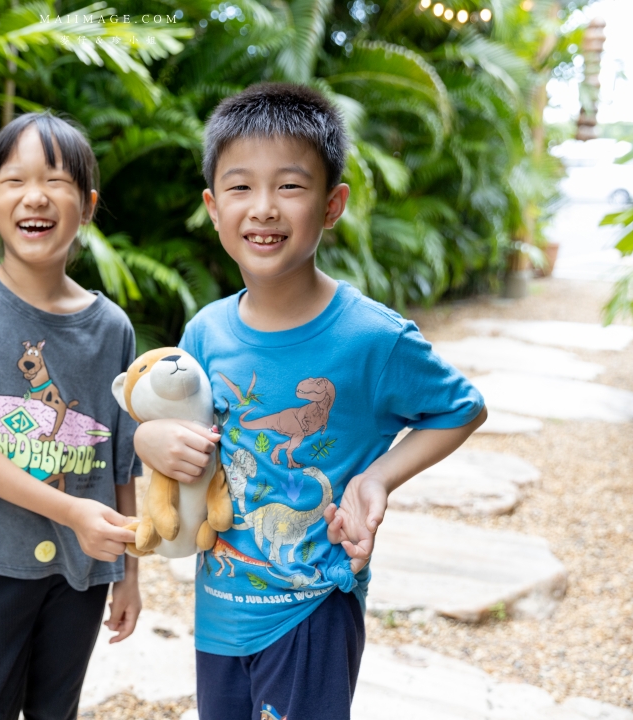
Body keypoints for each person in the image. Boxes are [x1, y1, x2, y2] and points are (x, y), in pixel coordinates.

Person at [133, 83, 488, 720]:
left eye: (290, 186)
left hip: (312, 610)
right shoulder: (205, 333)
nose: (264, 208)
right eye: (241, 187)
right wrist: (145, 440)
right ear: (214, 208)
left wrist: (378, 477)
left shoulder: (372, 338)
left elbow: (462, 408)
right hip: (219, 611)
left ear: (332, 204)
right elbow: (179, 436)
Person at [0, 111, 141, 720]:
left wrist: (128, 574)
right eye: (15, 182)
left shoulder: (112, 328)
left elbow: (119, 460)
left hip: (86, 571)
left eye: (56, 180)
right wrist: (72, 512)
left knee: (57, 711)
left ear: (88, 205)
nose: (35, 196)